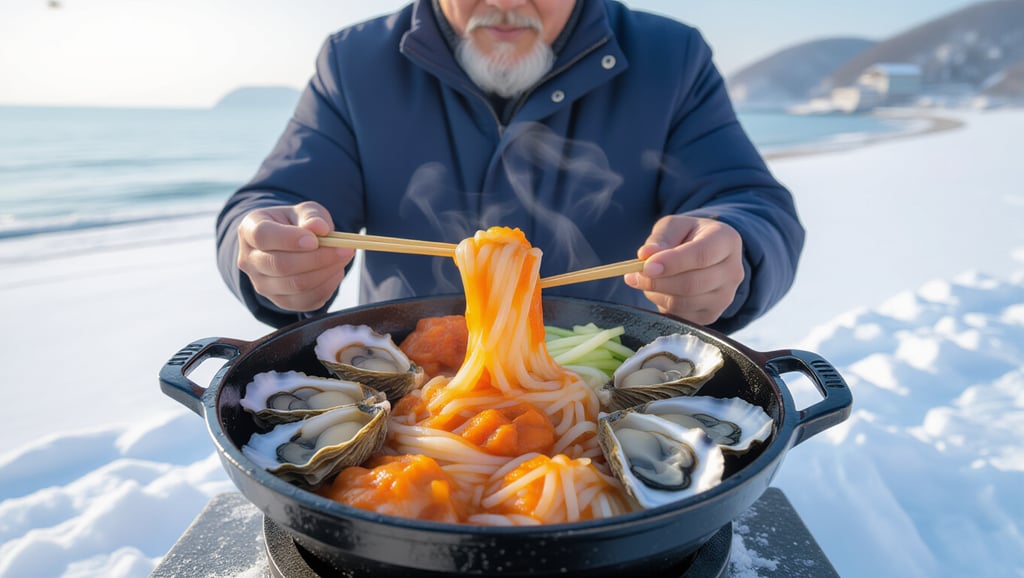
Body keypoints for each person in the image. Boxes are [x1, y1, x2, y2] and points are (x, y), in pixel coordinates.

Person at [215, 0, 804, 335]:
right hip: (408, 375)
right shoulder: (355, 62)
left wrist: (735, 254)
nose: (504, 3)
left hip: (615, 372)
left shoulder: (670, 58)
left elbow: (748, 201)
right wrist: (272, 255)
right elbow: (280, 196)